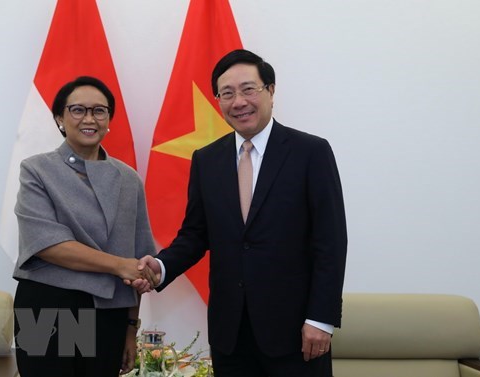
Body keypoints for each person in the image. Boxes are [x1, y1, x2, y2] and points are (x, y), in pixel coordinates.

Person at [133, 50, 348, 377]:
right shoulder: (206, 160)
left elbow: (330, 242)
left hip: (296, 333)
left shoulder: (311, 153)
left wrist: (320, 319)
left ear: (271, 91)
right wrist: (161, 266)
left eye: (249, 89)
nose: (239, 102)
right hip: (230, 334)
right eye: (227, 93)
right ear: (217, 100)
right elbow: (195, 235)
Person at [12, 76, 157, 377]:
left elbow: (139, 261)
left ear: (108, 120)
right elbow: (47, 244)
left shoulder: (129, 179)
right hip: (47, 308)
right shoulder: (37, 170)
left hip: (109, 312)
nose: (89, 118)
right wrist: (119, 266)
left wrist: (131, 329)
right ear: (60, 119)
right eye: (78, 110)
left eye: (99, 111)